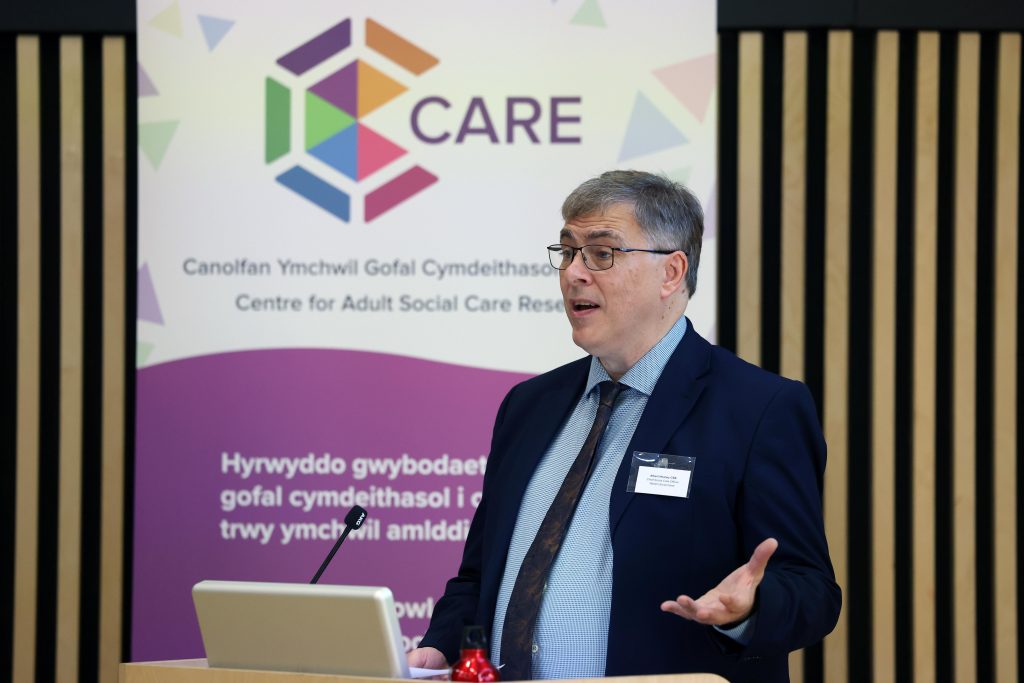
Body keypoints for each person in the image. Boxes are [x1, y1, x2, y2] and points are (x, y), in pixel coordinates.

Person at [408, 171, 840, 682]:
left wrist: (748, 611)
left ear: (671, 272)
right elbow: (480, 576)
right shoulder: (528, 406)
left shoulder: (758, 408)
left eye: (602, 254)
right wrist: (438, 646)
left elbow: (811, 590)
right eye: (567, 252)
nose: (574, 274)